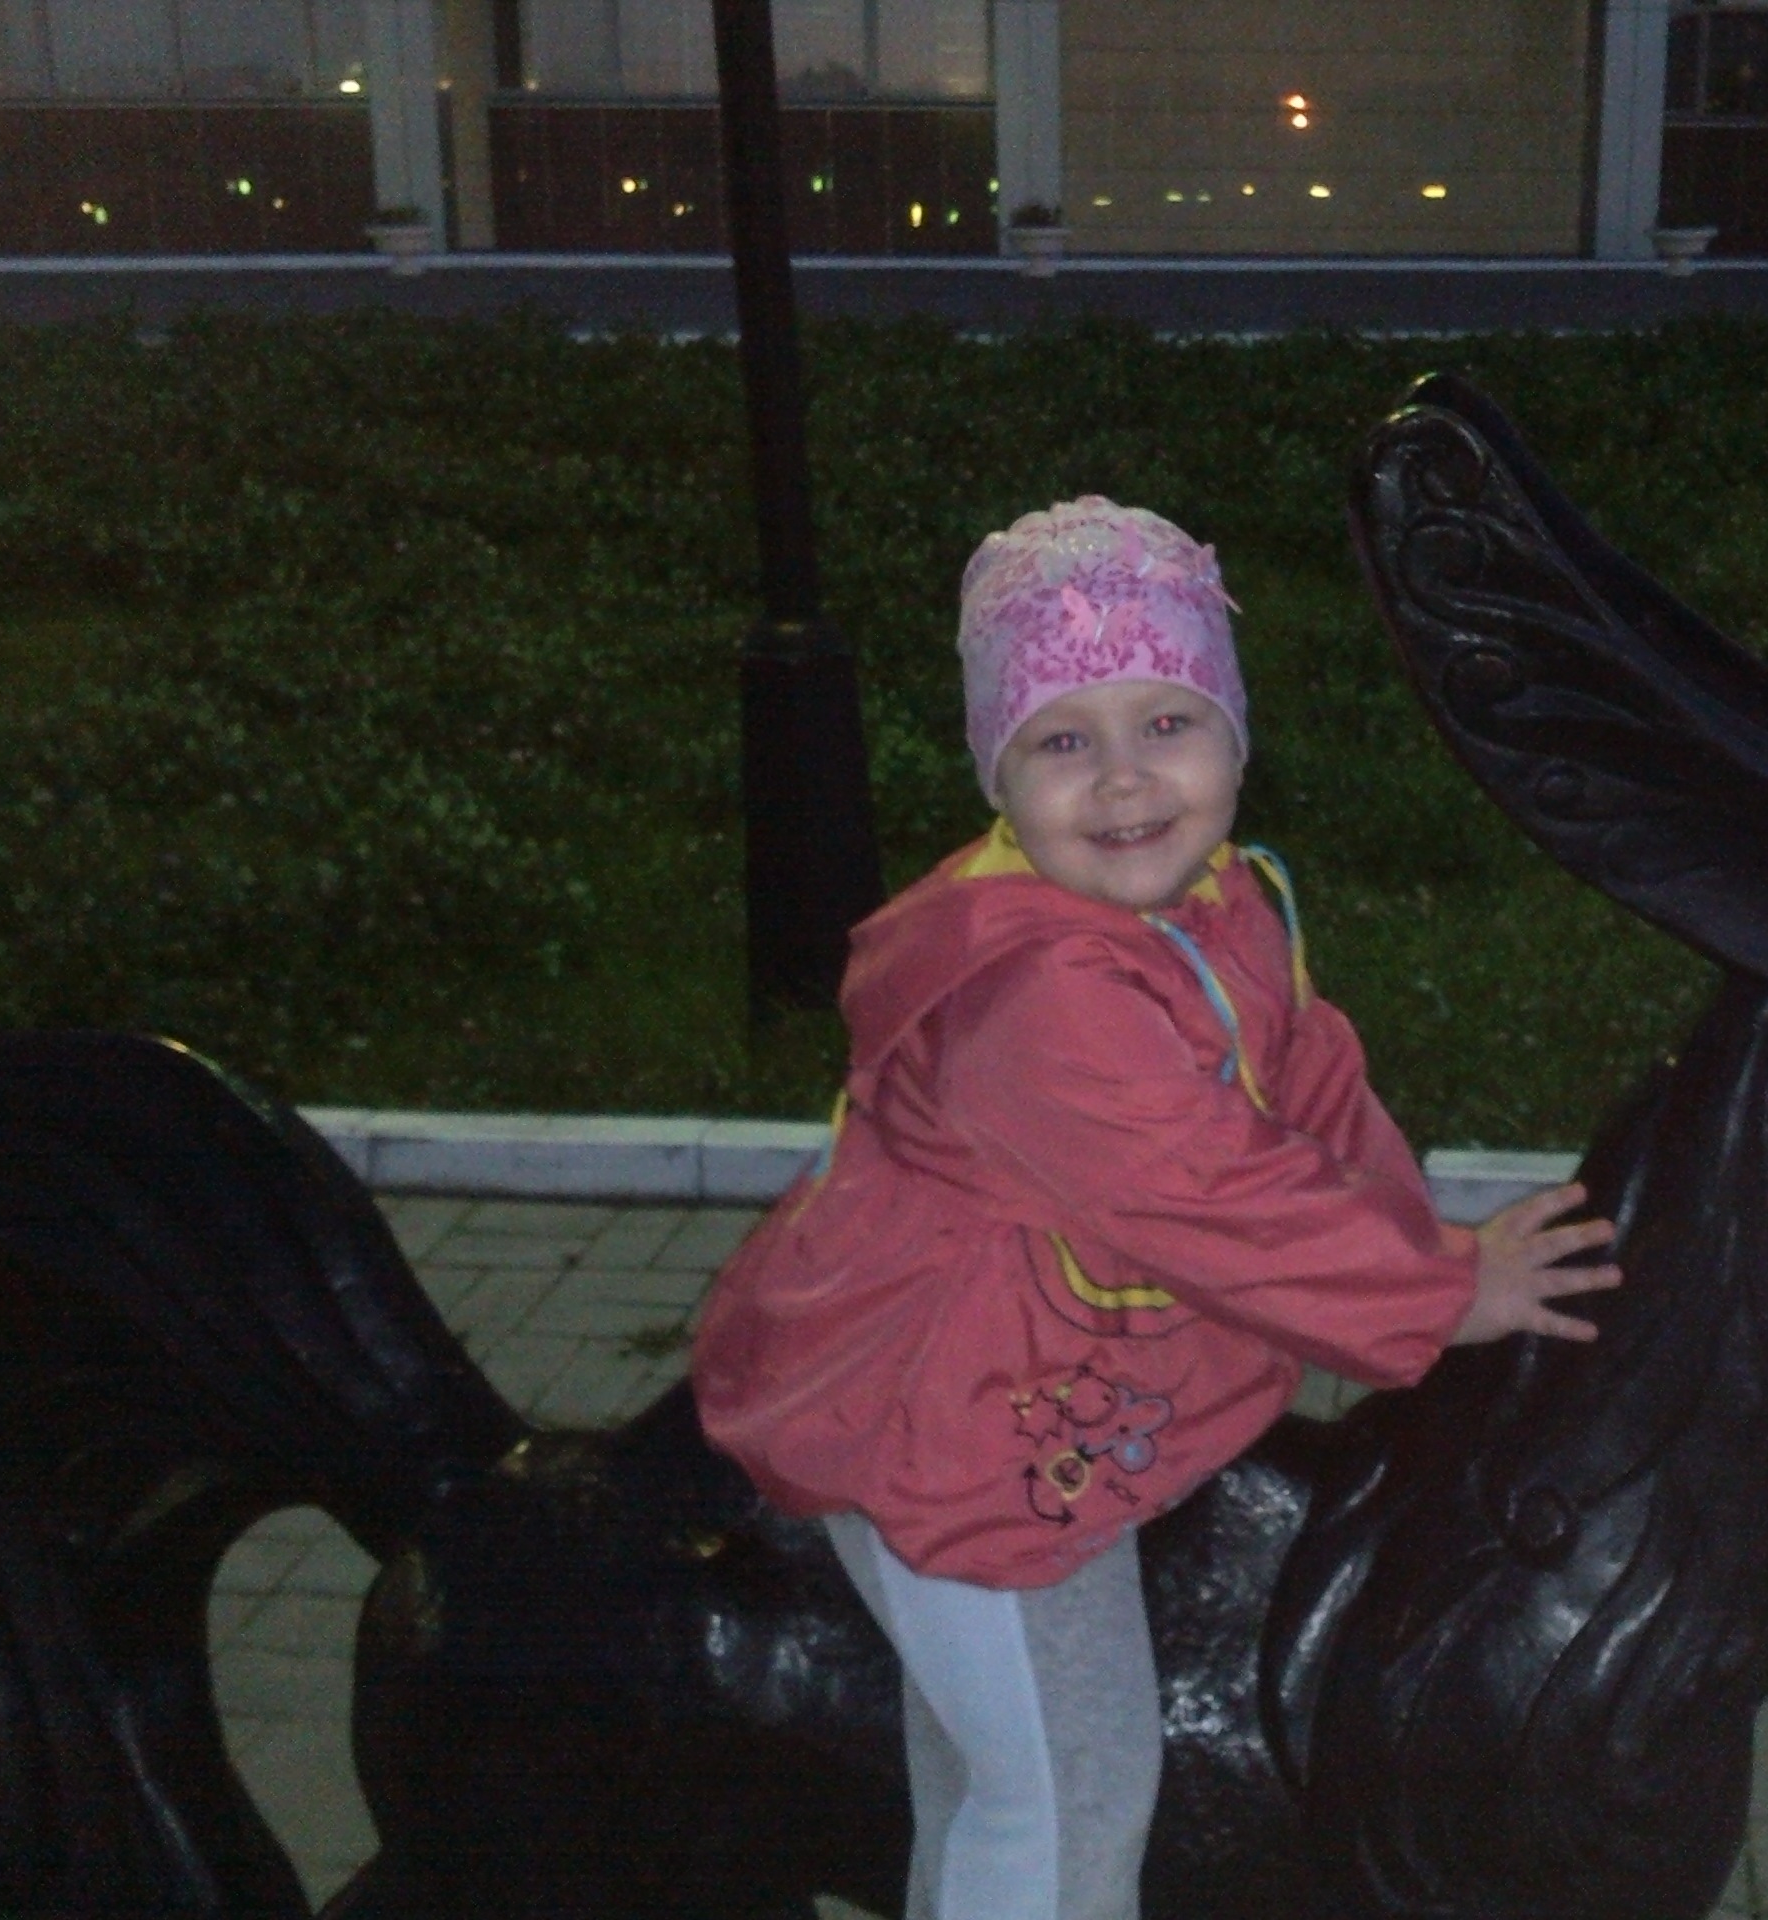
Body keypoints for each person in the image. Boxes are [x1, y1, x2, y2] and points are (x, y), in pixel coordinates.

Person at [691, 496, 1619, 1920]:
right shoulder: (1036, 994)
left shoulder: (1216, 901)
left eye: (1168, 724)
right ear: (1000, 780)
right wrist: (1440, 1291)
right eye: (1062, 743)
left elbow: (1309, 1074)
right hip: (955, 1433)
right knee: (1069, 1790)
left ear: (1235, 741)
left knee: (992, 1779)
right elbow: (1210, 1192)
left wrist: (1415, 1249)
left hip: (1014, 1392)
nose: (1124, 780)